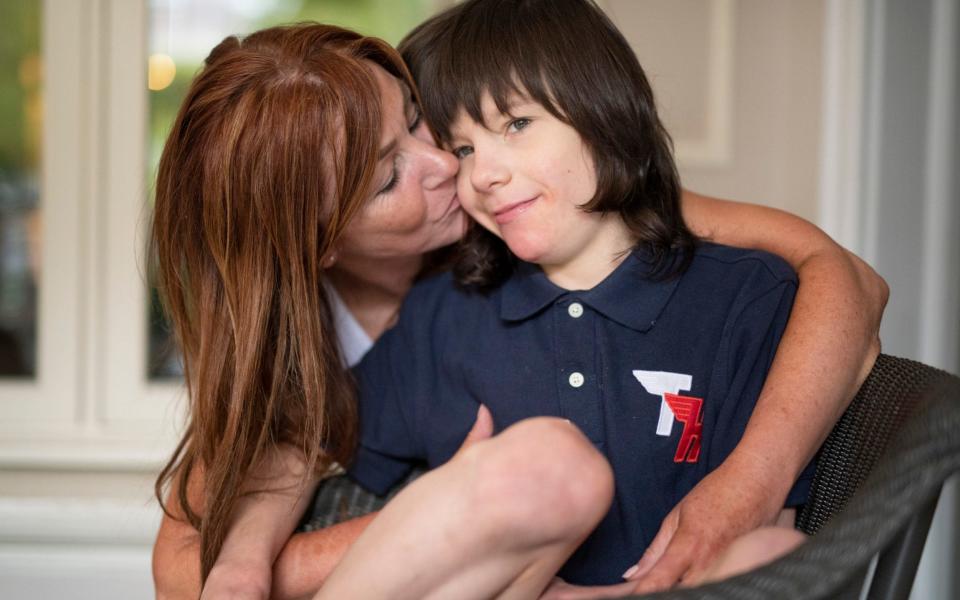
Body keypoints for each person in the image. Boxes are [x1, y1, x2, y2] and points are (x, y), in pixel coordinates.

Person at [151, 12, 887, 600]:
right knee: (546, 470)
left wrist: (747, 486)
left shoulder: (558, 222)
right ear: (319, 247)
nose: (447, 164)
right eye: (387, 180)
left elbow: (846, 278)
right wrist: (452, 510)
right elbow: (190, 575)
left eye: (418, 119)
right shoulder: (376, 334)